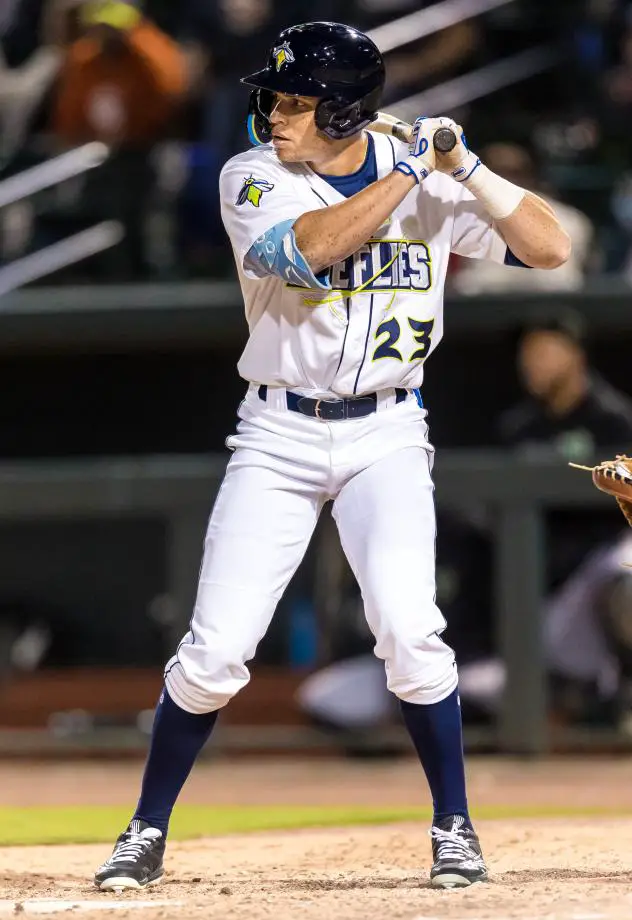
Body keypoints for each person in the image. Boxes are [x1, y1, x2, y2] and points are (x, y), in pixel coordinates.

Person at [93, 21, 569, 892]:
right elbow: (308, 254)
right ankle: (145, 827)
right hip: (277, 433)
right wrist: (406, 174)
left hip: (388, 430)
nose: (274, 113)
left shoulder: (418, 170)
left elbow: (550, 250)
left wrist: (466, 167)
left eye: (297, 101)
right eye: (274, 96)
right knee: (215, 653)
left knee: (411, 631)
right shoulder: (254, 176)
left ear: (346, 110)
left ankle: (454, 826)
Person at [451, 142, 597, 294]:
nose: (505, 179)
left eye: (514, 172)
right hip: (480, 311)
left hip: (552, 309)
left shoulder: (569, 219)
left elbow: (568, 282)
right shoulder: (458, 219)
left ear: (530, 176)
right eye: (496, 172)